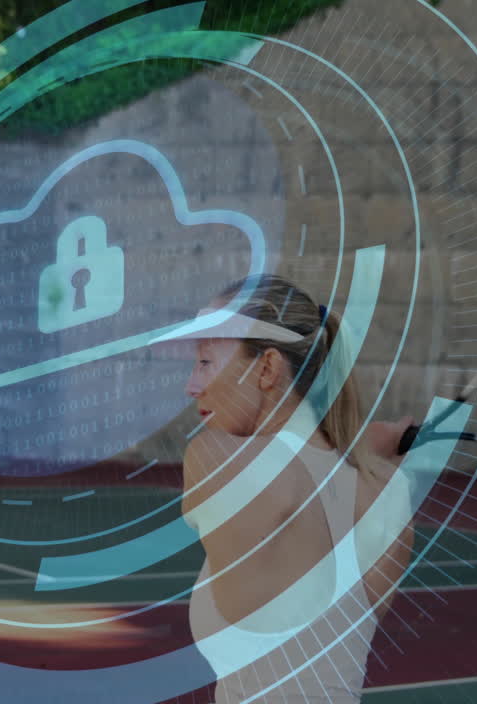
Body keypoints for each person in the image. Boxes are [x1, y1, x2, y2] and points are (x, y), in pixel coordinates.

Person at [157, 274, 414, 703]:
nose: (192, 385)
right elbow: (318, 457)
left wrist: (370, 438)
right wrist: (370, 439)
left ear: (268, 368)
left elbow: (288, 462)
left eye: (206, 362)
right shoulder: (389, 491)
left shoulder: (213, 459)